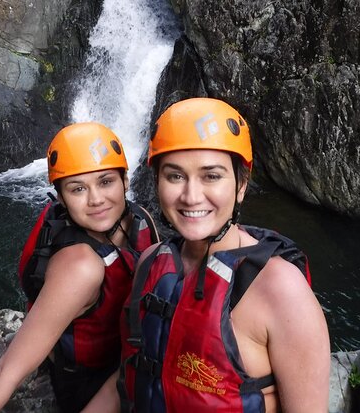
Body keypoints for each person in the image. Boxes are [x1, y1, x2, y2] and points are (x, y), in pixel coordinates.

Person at [86, 97, 330, 412]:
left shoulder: (282, 290)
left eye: (211, 176)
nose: (190, 196)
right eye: (175, 176)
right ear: (157, 182)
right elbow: (130, 374)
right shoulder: (150, 263)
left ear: (241, 184)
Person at [0, 122, 159, 413]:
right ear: (62, 198)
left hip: (126, 355)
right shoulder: (81, 268)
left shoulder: (141, 219)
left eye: (106, 182)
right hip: (89, 380)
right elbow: (6, 374)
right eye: (78, 188)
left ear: (126, 181)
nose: (96, 199)